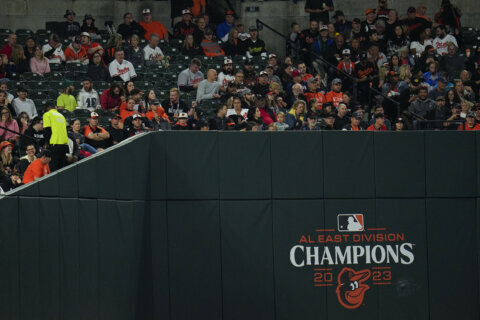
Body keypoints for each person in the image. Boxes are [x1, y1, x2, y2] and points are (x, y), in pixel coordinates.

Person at [43, 102, 69, 171]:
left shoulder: (47, 114)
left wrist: (46, 142)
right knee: (61, 168)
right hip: (64, 144)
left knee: (53, 168)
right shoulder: (61, 116)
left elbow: (47, 130)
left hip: (54, 144)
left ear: (47, 108)